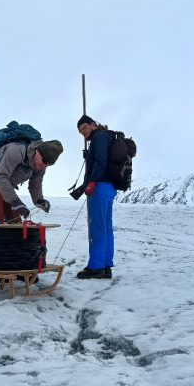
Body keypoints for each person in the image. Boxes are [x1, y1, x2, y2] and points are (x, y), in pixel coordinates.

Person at [0, 139, 64, 224]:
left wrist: (39, 200)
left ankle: (17, 238)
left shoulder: (40, 166)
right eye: (44, 161)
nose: (44, 166)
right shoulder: (16, 151)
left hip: (7, 186)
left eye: (48, 164)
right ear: (37, 151)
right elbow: (1, 176)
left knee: (15, 222)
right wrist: (15, 201)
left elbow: (35, 185)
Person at [74, 115, 116, 279]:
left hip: (99, 186)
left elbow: (100, 160)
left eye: (84, 128)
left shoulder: (98, 137)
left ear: (93, 124)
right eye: (80, 131)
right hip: (110, 186)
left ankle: (96, 266)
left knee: (97, 226)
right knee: (105, 226)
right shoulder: (108, 137)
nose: (83, 132)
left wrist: (92, 181)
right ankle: (106, 265)